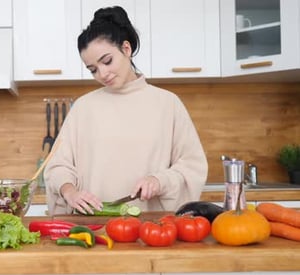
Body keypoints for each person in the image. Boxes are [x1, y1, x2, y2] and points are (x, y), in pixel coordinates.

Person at [44, 6, 208, 215]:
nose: (102, 73)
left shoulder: (168, 104)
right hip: (93, 228)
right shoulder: (83, 108)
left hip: (151, 229)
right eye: (93, 69)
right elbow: (57, 166)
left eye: (107, 61)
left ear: (126, 48)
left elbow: (192, 166)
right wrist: (69, 192)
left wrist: (159, 181)